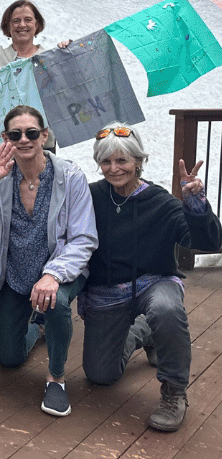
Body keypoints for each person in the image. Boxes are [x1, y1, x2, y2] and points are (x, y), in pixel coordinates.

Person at [81, 123, 221, 432]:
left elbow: (209, 242)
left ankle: (174, 392)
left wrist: (195, 204)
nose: (114, 168)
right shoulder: (91, 196)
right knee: (100, 375)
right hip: (108, 292)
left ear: (138, 162)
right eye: (107, 161)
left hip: (155, 282)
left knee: (166, 308)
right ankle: (143, 332)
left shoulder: (160, 202)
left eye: (122, 160)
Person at [0, 106, 97, 416]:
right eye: (15, 134)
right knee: (8, 358)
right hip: (17, 275)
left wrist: (52, 275)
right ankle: (38, 326)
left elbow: (84, 238)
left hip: (61, 272)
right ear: (5, 138)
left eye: (31, 133)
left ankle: (56, 378)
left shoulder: (70, 176)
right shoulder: (1, 175)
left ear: (43, 136)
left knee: (57, 301)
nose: (24, 139)